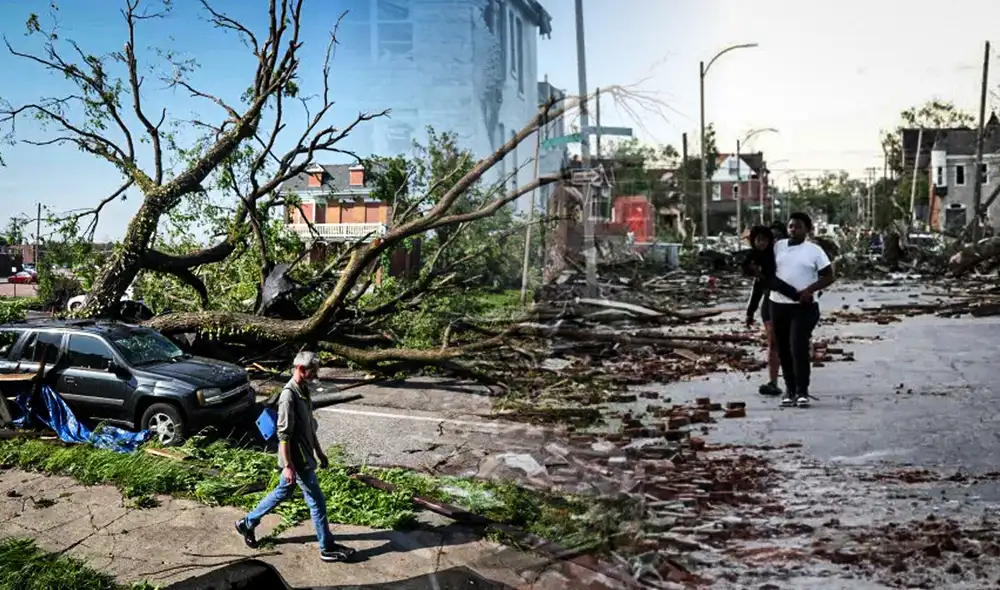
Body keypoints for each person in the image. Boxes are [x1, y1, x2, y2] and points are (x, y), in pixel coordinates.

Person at [235, 351, 356, 562]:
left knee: (283, 491)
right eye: (313, 371)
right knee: (317, 502)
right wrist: (288, 465)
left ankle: (247, 522)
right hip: (297, 460)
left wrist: (319, 452)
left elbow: (309, 426)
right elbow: (284, 435)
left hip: (305, 455)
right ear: (300, 369)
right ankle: (327, 548)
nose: (316, 374)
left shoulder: (304, 390)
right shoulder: (288, 396)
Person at [770, 212, 836, 408]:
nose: (793, 230)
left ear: (807, 229)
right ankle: (789, 390)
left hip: (803, 307)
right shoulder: (778, 247)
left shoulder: (814, 251)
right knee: (783, 349)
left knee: (797, 346)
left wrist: (809, 290)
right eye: (790, 226)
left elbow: (828, 276)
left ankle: (802, 391)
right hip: (778, 305)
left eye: (798, 226)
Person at [743, 225, 800, 396]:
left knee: (793, 343)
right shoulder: (758, 259)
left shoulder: (788, 259)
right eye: (759, 240)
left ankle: (795, 381)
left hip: (792, 305)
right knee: (775, 344)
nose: (765, 243)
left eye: (772, 239)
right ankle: (774, 382)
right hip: (771, 305)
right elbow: (758, 286)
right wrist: (750, 311)